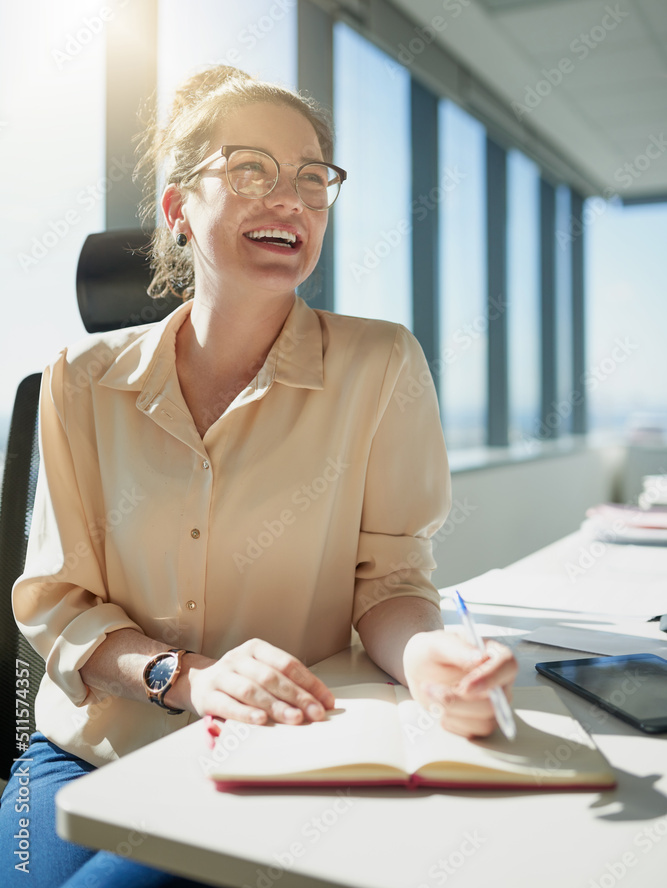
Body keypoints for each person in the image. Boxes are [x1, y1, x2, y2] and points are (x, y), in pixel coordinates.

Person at [0, 66, 517, 887]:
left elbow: (387, 587)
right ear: (177, 210)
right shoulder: (80, 380)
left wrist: (424, 658)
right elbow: (59, 603)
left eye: (313, 177)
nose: (291, 199)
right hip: (90, 744)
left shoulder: (379, 365)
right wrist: (183, 677)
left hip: (271, 747)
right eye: (250, 171)